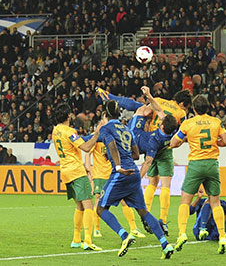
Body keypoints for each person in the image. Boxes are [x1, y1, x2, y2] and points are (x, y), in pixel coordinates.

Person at [97, 86, 191, 234]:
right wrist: (175, 144)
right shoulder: (181, 114)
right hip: (163, 147)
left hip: (147, 141)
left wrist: (148, 96)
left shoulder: (159, 101)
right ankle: (163, 220)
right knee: (166, 184)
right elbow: (182, 135)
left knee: (152, 182)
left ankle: (111, 97)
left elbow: (150, 111)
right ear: (184, 105)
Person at [95, 100, 174, 259]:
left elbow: (110, 145)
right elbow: (137, 155)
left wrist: (117, 164)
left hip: (121, 174)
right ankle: (165, 244)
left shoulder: (106, 128)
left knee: (100, 208)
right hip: (134, 173)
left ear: (106, 115)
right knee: (143, 211)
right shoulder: (127, 129)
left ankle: (124, 235)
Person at [171, 94, 226, 254]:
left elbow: (173, 143)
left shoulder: (188, 124)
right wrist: (214, 142)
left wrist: (187, 140)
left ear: (194, 108)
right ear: (208, 107)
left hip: (196, 165)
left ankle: (182, 233)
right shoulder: (216, 122)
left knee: (185, 201)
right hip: (212, 163)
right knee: (215, 203)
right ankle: (222, 236)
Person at [52, 103, 103, 251]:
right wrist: (96, 134)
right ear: (68, 115)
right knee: (89, 206)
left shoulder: (56, 130)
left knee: (79, 205)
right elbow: (86, 147)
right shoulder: (70, 131)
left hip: (66, 171)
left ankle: (76, 239)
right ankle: (87, 240)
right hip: (76, 171)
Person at [84, 124, 146, 239]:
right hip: (99, 174)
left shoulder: (114, 135)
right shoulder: (96, 136)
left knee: (124, 201)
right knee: (98, 199)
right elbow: (88, 152)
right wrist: (88, 168)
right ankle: (96, 229)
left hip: (113, 173)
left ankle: (133, 228)